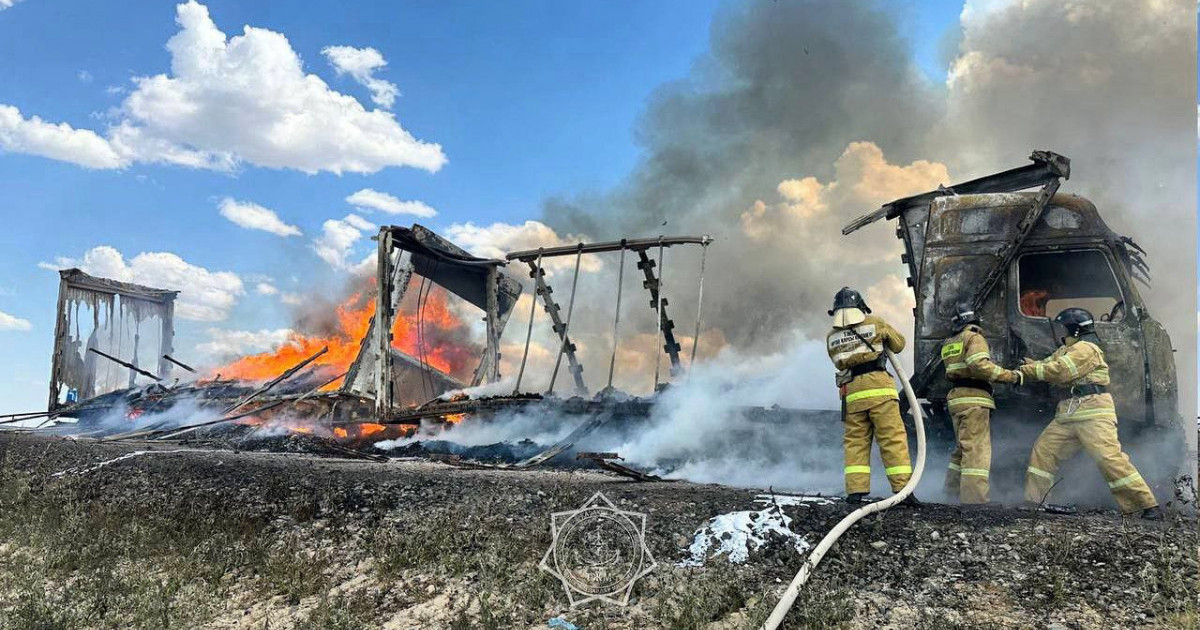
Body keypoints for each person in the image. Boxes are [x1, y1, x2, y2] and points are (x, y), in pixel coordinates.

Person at [1019, 308, 1162, 520]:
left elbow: (1060, 371)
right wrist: (1030, 365)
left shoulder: (1086, 349)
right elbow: (1049, 364)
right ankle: (1035, 501)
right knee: (1044, 450)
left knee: (1109, 459)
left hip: (1094, 413)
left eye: (1064, 327)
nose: (1062, 331)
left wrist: (1028, 372)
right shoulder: (1067, 349)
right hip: (1069, 413)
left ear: (1075, 330)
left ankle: (1148, 506)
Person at [825, 287, 917, 506]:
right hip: (879, 390)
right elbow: (899, 344)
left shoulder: (831, 336)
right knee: (892, 439)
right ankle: (903, 491)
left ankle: (855, 492)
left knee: (855, 442)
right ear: (860, 307)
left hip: (852, 394)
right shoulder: (875, 323)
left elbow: (838, 362)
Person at [939, 305, 1022, 505]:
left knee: (962, 449)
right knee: (976, 450)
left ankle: (951, 494)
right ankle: (975, 500)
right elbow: (978, 365)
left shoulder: (950, 342)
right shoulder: (974, 337)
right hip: (974, 399)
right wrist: (1010, 376)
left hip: (957, 398)